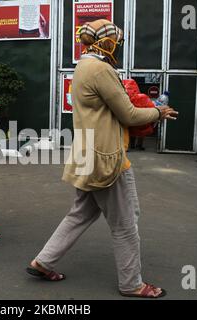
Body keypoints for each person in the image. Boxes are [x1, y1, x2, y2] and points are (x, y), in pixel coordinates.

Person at [26, 20, 178, 298]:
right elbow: (129, 114)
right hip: (106, 159)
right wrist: (159, 112)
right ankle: (132, 283)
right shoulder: (101, 69)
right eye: (116, 41)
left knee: (81, 213)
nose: (118, 46)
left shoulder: (83, 66)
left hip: (87, 155)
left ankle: (43, 262)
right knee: (125, 224)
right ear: (107, 42)